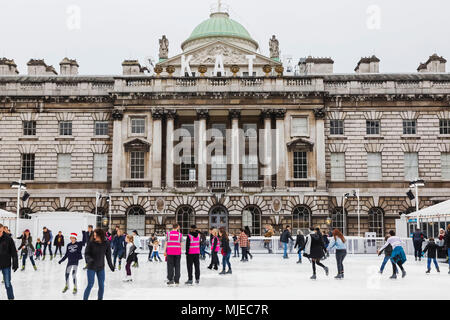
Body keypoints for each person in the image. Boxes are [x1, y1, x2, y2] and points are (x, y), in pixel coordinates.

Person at [83, 228, 114, 300]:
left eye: (95, 235)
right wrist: (89, 259)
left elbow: (108, 256)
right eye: (93, 235)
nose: (94, 237)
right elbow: (86, 253)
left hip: (101, 267)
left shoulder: (106, 243)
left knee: (101, 286)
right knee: (90, 284)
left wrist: (111, 266)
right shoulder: (91, 243)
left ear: (100, 236)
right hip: (91, 267)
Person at [0, 224, 18, 300]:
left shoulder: (8, 239)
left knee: (7, 283)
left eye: (0, 231)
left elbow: (13, 251)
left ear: (3, 229)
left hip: (6, 264)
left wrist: (15, 262)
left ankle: (11, 298)